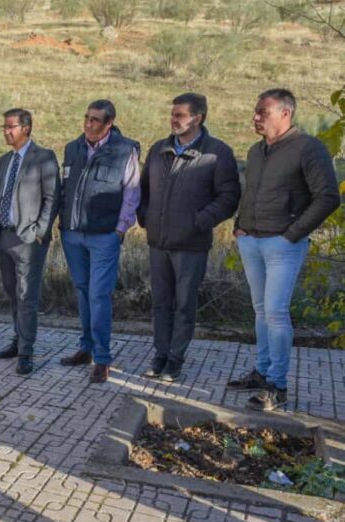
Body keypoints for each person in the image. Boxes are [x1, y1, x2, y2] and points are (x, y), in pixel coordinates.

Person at [227, 88, 340, 411]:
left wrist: (293, 234)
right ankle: (262, 372)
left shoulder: (308, 147)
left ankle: (277, 385)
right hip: (251, 240)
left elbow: (328, 197)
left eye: (263, 111)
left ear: (285, 113)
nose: (255, 117)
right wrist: (240, 224)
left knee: (276, 312)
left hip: (283, 244)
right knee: (261, 311)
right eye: (255, 111)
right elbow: (251, 192)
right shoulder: (256, 151)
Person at [138, 93, 240, 382]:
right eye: (172, 114)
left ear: (198, 118)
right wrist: (145, 217)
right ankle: (160, 354)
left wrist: (198, 222)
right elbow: (143, 190)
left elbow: (229, 197)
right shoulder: (159, 149)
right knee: (160, 303)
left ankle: (175, 359)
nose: (173, 120)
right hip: (158, 242)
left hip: (191, 245)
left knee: (184, 305)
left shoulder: (217, 153)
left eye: (180, 115)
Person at [59, 100, 140, 383]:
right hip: (72, 234)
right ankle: (86, 348)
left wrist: (120, 229)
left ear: (109, 123)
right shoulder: (73, 148)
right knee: (82, 291)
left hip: (105, 236)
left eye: (95, 120)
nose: (88, 124)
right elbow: (65, 188)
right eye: (86, 118)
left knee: (98, 295)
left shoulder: (125, 150)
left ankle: (102, 359)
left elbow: (132, 192)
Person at [0, 109, 61, 375]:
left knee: (26, 295)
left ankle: (26, 351)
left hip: (29, 239)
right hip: (4, 237)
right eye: (4, 127)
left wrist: (40, 231)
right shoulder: (4, 160)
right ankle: (18, 338)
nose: (6, 131)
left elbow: (52, 198)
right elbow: (0, 196)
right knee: (11, 292)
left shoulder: (44, 157)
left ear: (26, 128)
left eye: (11, 127)